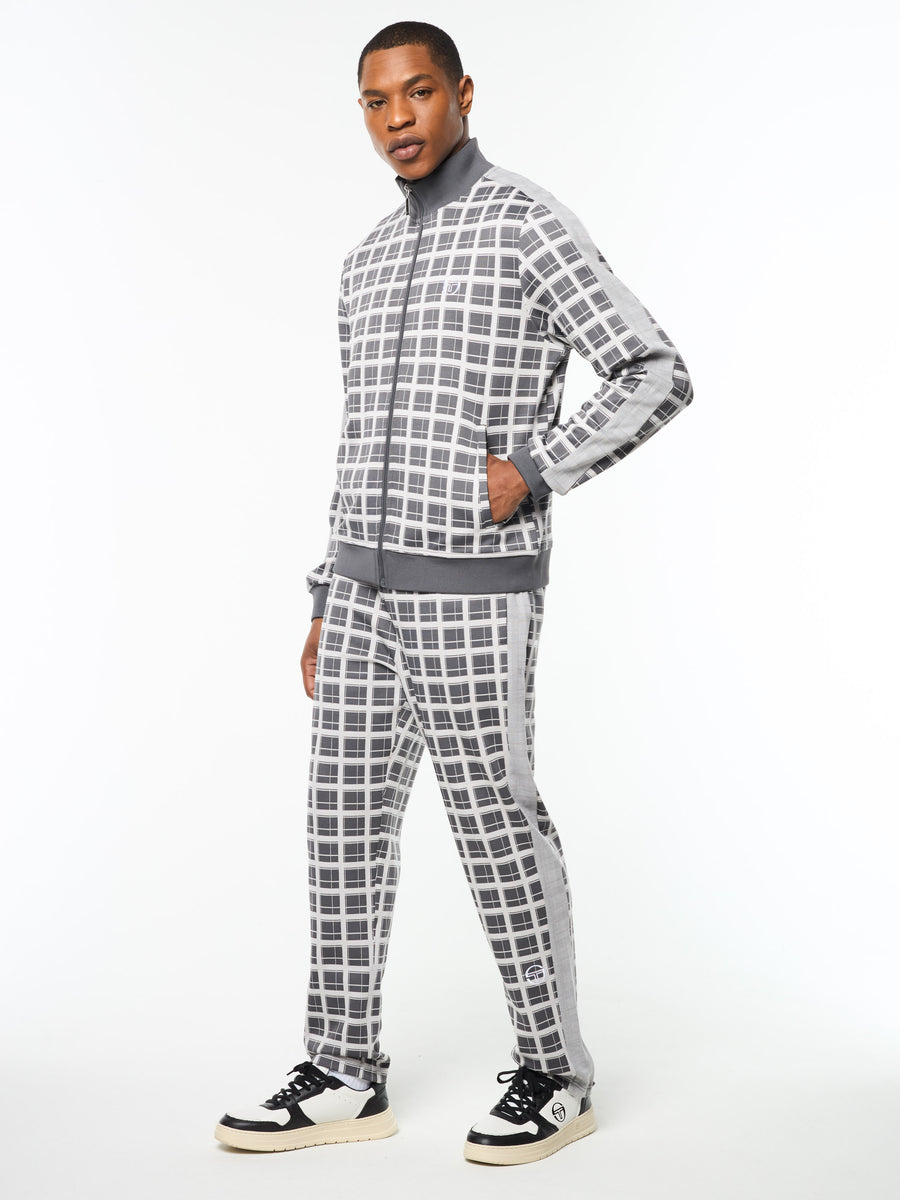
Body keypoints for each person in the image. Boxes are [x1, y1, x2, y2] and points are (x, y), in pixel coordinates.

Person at [215, 20, 693, 1166]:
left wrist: (532, 469)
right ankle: (343, 1070)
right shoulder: (366, 260)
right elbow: (357, 444)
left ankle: (555, 1072)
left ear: (463, 93)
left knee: (494, 824)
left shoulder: (528, 223)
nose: (398, 119)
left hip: (476, 592)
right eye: (377, 102)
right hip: (362, 596)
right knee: (341, 826)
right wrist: (327, 593)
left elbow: (655, 368)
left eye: (418, 93)